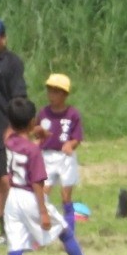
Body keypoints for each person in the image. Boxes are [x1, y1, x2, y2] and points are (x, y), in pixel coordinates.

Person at [2, 97, 100, 255]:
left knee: (15, 251)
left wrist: (34, 135)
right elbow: (37, 183)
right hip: (30, 197)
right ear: (32, 122)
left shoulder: (9, 141)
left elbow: (16, 139)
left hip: (13, 198)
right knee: (65, 232)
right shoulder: (34, 151)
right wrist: (43, 212)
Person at [0, 16, 27, 246]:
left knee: (6, 181)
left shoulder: (11, 63)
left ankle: (13, 230)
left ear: (3, 38)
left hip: (2, 132)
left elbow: (19, 98)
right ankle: (3, 231)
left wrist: (14, 128)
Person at [37, 73, 83, 234]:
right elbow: (37, 134)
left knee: (65, 196)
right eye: (50, 91)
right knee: (42, 194)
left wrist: (71, 144)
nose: (52, 95)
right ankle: (45, 229)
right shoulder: (43, 113)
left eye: (56, 91)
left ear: (65, 94)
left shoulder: (72, 114)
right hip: (47, 157)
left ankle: (69, 232)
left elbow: (77, 138)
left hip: (65, 158)